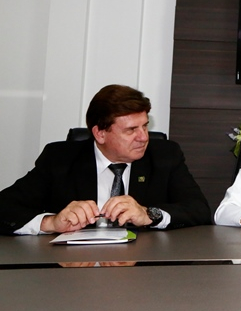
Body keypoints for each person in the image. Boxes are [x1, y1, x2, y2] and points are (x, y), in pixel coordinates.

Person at [0, 84, 212, 235]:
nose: (143, 137)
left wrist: (149, 214)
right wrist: (51, 222)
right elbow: (5, 207)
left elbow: (199, 209)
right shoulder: (60, 159)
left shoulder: (165, 155)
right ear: (100, 134)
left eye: (145, 126)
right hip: (74, 271)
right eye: (131, 130)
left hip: (144, 270)